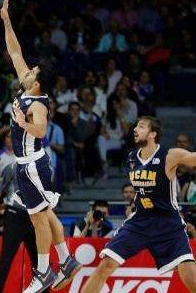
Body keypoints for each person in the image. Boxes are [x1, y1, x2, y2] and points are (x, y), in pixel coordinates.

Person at [0, 0, 80, 292]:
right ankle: (67, 261)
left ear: (37, 81)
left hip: (33, 164)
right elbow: (15, 50)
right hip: (27, 165)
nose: (27, 70)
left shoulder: (39, 104)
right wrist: (7, 21)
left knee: (38, 219)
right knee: (45, 213)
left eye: (32, 71)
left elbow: (42, 130)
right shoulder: (28, 87)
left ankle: (44, 271)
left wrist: (23, 124)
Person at [81, 116, 196, 293]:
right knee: (106, 264)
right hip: (140, 221)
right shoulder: (131, 157)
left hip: (168, 223)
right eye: (136, 126)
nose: (135, 129)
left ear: (152, 134)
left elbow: (193, 158)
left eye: (141, 127)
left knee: (188, 271)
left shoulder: (169, 155)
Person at [0, 163, 38, 293]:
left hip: (36, 216)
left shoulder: (42, 167)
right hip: (15, 215)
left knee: (40, 261)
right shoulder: (11, 167)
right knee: (6, 259)